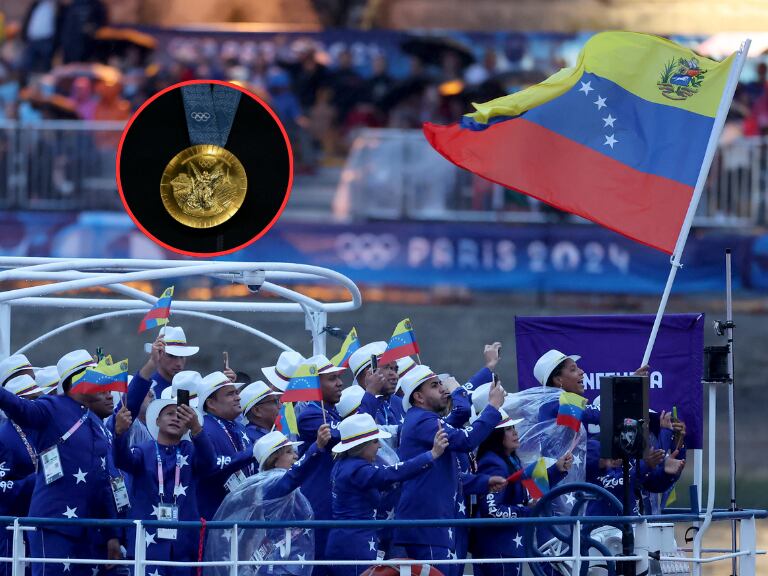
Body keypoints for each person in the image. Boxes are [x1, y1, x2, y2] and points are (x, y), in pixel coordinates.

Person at [0, 349, 122, 576]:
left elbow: (104, 481)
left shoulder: (96, 423)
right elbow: (19, 407)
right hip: (53, 525)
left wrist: (112, 534)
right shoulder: (51, 407)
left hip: (87, 530)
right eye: (94, 376)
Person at [394, 364, 506, 576]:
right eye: (434, 386)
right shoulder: (421, 420)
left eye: (440, 383)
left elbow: (446, 473)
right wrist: (492, 406)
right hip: (428, 524)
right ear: (418, 397)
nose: (442, 388)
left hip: (435, 523)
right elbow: (465, 440)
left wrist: (483, 482)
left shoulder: (425, 419)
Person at [325, 413, 449, 576]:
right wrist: (431, 455)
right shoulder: (356, 469)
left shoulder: (343, 465)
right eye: (376, 441)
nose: (379, 446)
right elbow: (388, 474)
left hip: (349, 541)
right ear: (362, 445)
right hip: (355, 545)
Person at [113, 383, 216, 576]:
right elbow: (121, 460)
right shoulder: (143, 450)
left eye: (181, 416)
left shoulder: (191, 451)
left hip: (184, 545)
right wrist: (119, 433)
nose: (175, 418)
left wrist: (197, 429)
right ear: (157, 420)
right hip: (147, 544)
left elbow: (210, 464)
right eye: (169, 414)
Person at [205, 425, 332, 576]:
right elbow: (293, 477)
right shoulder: (271, 483)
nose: (295, 456)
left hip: (285, 560)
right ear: (274, 460)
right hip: (276, 564)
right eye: (289, 452)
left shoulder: (272, 481)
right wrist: (316, 446)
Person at [471, 410, 572, 576]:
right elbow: (492, 511)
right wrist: (527, 511)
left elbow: (528, 489)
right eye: (508, 429)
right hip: (498, 550)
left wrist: (557, 469)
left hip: (505, 548)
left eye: (513, 427)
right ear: (494, 436)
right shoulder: (493, 463)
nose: (515, 432)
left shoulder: (509, 459)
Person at [296, 357, 345, 576]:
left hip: (335, 503)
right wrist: (370, 394)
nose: (340, 383)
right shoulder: (309, 416)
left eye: (339, 378)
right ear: (315, 385)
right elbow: (351, 434)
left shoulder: (334, 413)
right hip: (319, 504)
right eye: (332, 379)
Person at [0, 375, 44, 576]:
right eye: (32, 399)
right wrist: (35, 480)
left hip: (34, 521)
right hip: (9, 529)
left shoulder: (38, 431)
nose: (37, 405)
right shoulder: (3, 437)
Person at [196, 371, 256, 519]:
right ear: (211, 403)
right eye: (230, 394)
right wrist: (253, 452)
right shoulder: (204, 429)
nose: (238, 397)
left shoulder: (239, 427)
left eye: (237, 393)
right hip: (216, 517)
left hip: (243, 514)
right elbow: (211, 466)